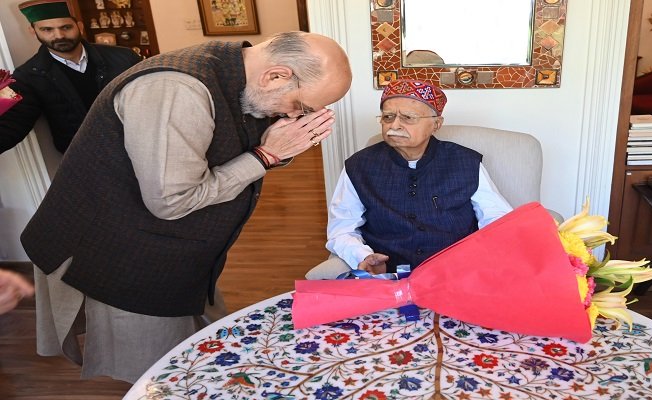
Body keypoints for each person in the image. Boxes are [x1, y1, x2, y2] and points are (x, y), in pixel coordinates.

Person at [19, 30, 352, 383]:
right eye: (301, 106)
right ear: (275, 76)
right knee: (155, 372)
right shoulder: (177, 89)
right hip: (118, 252)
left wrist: (278, 148)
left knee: (197, 351)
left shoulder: (239, 76)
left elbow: (241, 145)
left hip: (177, 251)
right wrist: (266, 156)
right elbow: (172, 201)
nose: (295, 115)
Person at [306, 79, 513, 279]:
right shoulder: (359, 166)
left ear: (436, 124)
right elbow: (342, 229)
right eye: (388, 117)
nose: (394, 125)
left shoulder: (465, 161)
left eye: (408, 117)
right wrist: (363, 256)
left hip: (456, 274)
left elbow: (498, 219)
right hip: (389, 277)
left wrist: (482, 259)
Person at [0, 0, 141, 154]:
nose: (59, 36)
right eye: (47, 29)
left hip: (138, 144)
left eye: (66, 27)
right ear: (33, 31)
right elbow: (15, 123)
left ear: (79, 26)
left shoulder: (125, 58)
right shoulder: (28, 76)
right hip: (84, 156)